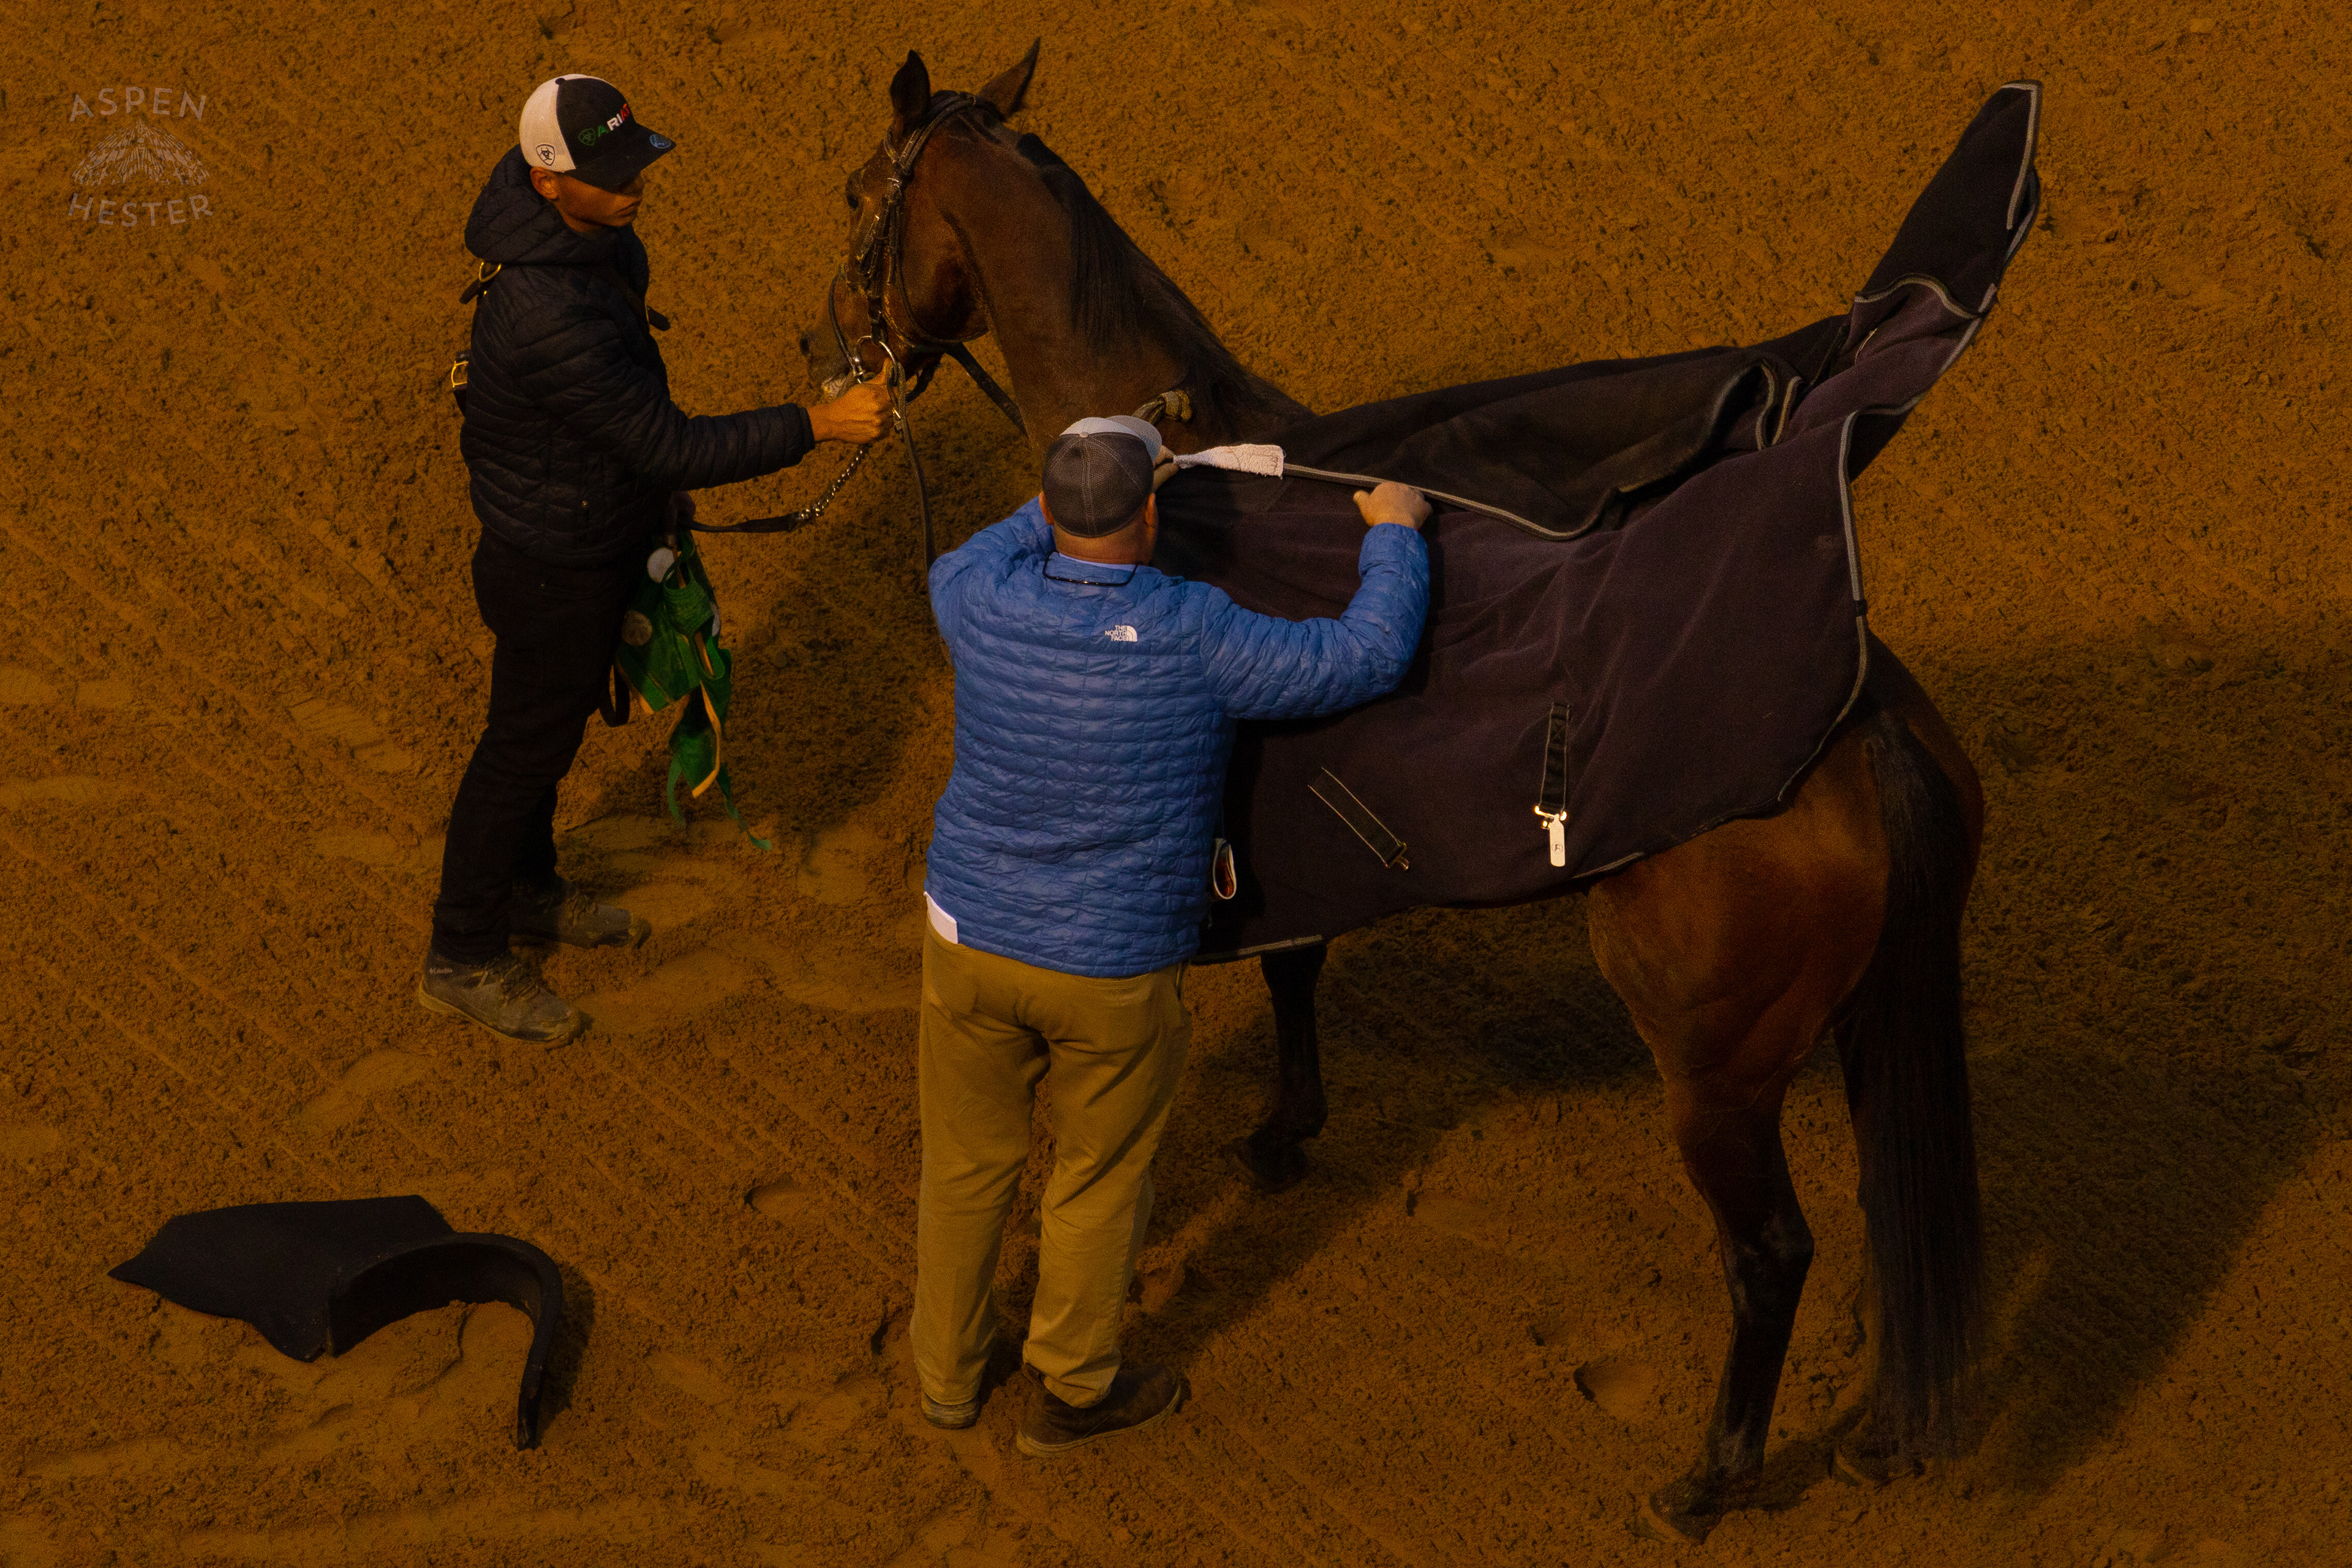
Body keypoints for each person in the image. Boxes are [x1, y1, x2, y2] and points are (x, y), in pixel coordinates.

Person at [915, 415, 1431, 1455]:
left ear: (1048, 511)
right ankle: (1074, 1388)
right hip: (1112, 969)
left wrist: (1071, 487)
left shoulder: (973, 594)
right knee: (1098, 1178)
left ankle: (948, 1380)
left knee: (964, 1169)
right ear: (1152, 516)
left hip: (967, 941)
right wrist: (1395, 533)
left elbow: (990, 543)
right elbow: (1365, 654)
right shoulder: (1199, 629)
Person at [418, 74, 894, 1044]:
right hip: (552, 567)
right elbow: (670, 443)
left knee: (548, 737)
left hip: (590, 529)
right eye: (612, 173)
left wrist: (647, 508)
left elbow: (627, 436)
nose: (635, 184)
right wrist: (819, 423)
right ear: (548, 182)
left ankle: (529, 889)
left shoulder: (595, 241)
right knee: (521, 751)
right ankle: (461, 954)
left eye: (635, 162)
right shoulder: (547, 311)